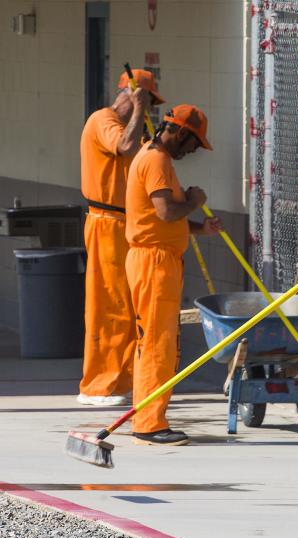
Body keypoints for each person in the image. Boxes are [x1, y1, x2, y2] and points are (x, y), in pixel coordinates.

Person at [125, 105, 221, 446]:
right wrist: (194, 201)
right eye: (193, 144)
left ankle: (150, 418)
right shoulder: (156, 161)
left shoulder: (153, 158)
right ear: (181, 133)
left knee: (157, 342)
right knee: (156, 344)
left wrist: (199, 228)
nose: (192, 152)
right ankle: (149, 423)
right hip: (154, 263)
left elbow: (160, 218)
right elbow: (166, 212)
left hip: (156, 258)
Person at [77, 69, 164, 406]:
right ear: (132, 93)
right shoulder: (103, 120)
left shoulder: (135, 131)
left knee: (128, 307)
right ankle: (100, 385)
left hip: (127, 224)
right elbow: (125, 147)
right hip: (106, 223)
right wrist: (140, 109)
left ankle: (123, 377)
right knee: (109, 305)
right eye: (149, 100)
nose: (150, 109)